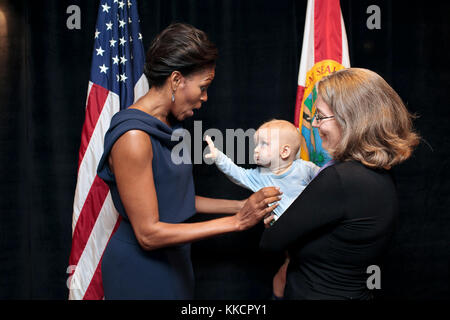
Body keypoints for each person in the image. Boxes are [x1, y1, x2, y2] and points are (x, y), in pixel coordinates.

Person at [97, 23, 281, 300]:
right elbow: (148, 234)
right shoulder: (133, 137)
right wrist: (237, 222)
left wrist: (240, 204)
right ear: (175, 80)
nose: (205, 98)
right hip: (139, 270)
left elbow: (178, 199)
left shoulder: (168, 126)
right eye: (203, 87)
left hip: (176, 262)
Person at [260, 68, 420, 300]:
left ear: (351, 120)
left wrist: (270, 217)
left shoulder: (340, 179)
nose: (314, 124)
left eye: (321, 116)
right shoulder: (379, 174)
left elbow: (271, 242)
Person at [204, 119, 319, 299]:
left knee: (298, 277)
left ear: (285, 151)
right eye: (256, 144)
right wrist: (218, 156)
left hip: (312, 237)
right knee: (281, 279)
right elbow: (237, 173)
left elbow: (327, 182)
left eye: (264, 145)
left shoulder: (304, 169)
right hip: (287, 241)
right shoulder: (260, 176)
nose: (256, 149)